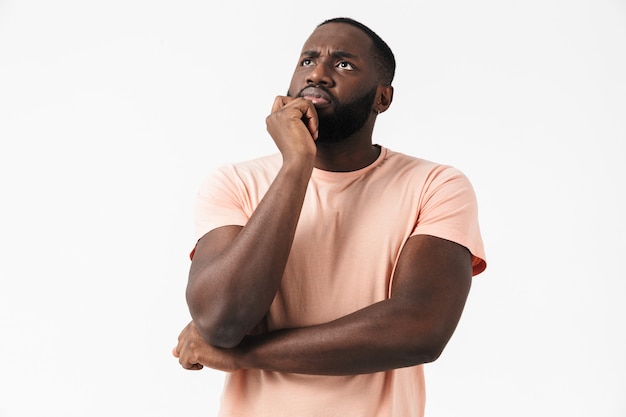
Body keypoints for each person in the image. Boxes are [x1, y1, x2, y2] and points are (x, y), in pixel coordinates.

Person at [173, 17, 487, 417]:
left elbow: (419, 329)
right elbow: (220, 321)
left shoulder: (435, 185)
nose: (317, 74)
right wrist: (296, 164)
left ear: (382, 98)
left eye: (343, 65)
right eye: (307, 60)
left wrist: (245, 356)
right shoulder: (235, 183)